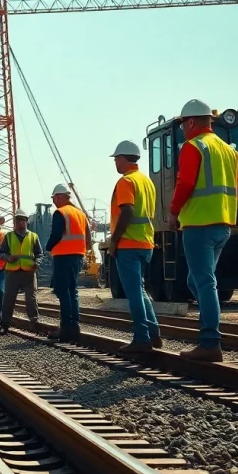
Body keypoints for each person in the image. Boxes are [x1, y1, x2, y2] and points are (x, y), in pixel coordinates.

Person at [171, 100, 238, 362]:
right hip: (223, 225)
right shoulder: (229, 151)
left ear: (191, 122)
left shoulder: (194, 146)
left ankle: (210, 342)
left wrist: (174, 210)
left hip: (199, 225)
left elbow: (186, 183)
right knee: (198, 282)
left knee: (204, 283)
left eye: (182, 125)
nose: (182, 130)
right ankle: (209, 329)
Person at [108, 140, 164, 353]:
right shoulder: (146, 181)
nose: (115, 163)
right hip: (146, 243)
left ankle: (142, 338)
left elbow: (128, 211)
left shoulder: (126, 181)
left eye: (116, 159)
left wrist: (114, 241)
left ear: (122, 158)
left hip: (129, 244)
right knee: (140, 291)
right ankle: (154, 334)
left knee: (133, 294)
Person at [45, 184, 91, 342]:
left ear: (59, 196)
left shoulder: (60, 212)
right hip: (78, 256)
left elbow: (57, 234)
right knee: (73, 291)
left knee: (62, 291)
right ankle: (74, 326)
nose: (53, 202)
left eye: (54, 198)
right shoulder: (80, 213)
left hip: (63, 256)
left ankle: (65, 327)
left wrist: (48, 247)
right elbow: (88, 237)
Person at [0, 209, 42, 334]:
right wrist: (7, 257)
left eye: (22, 220)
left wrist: (36, 263)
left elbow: (40, 254)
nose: (20, 222)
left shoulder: (34, 236)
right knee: (8, 299)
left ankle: (35, 323)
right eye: (17, 220)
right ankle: (4, 325)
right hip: (12, 273)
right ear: (14, 222)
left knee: (31, 298)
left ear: (26, 222)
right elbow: (0, 253)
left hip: (29, 272)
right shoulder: (9, 236)